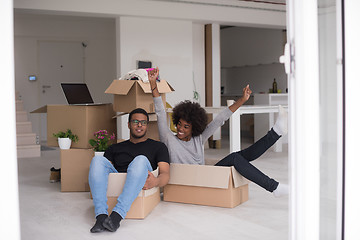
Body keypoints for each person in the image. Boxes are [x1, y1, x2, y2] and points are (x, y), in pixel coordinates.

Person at [149, 68, 288, 197]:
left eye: (186, 127)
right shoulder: (168, 139)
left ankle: (276, 132)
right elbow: (161, 112)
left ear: (194, 127)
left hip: (206, 177)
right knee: (234, 158)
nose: (180, 129)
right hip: (195, 182)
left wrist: (242, 100)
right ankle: (274, 187)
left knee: (243, 155)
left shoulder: (198, 138)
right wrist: (153, 84)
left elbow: (220, 119)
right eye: (179, 124)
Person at [88, 108, 170, 233]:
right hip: (119, 178)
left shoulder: (158, 147)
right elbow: (101, 174)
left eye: (143, 122)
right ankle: (101, 216)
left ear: (147, 125)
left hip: (141, 176)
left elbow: (165, 174)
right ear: (128, 124)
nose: (139, 125)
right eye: (135, 121)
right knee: (97, 160)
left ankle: (116, 216)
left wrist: (155, 182)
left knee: (140, 159)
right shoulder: (114, 148)